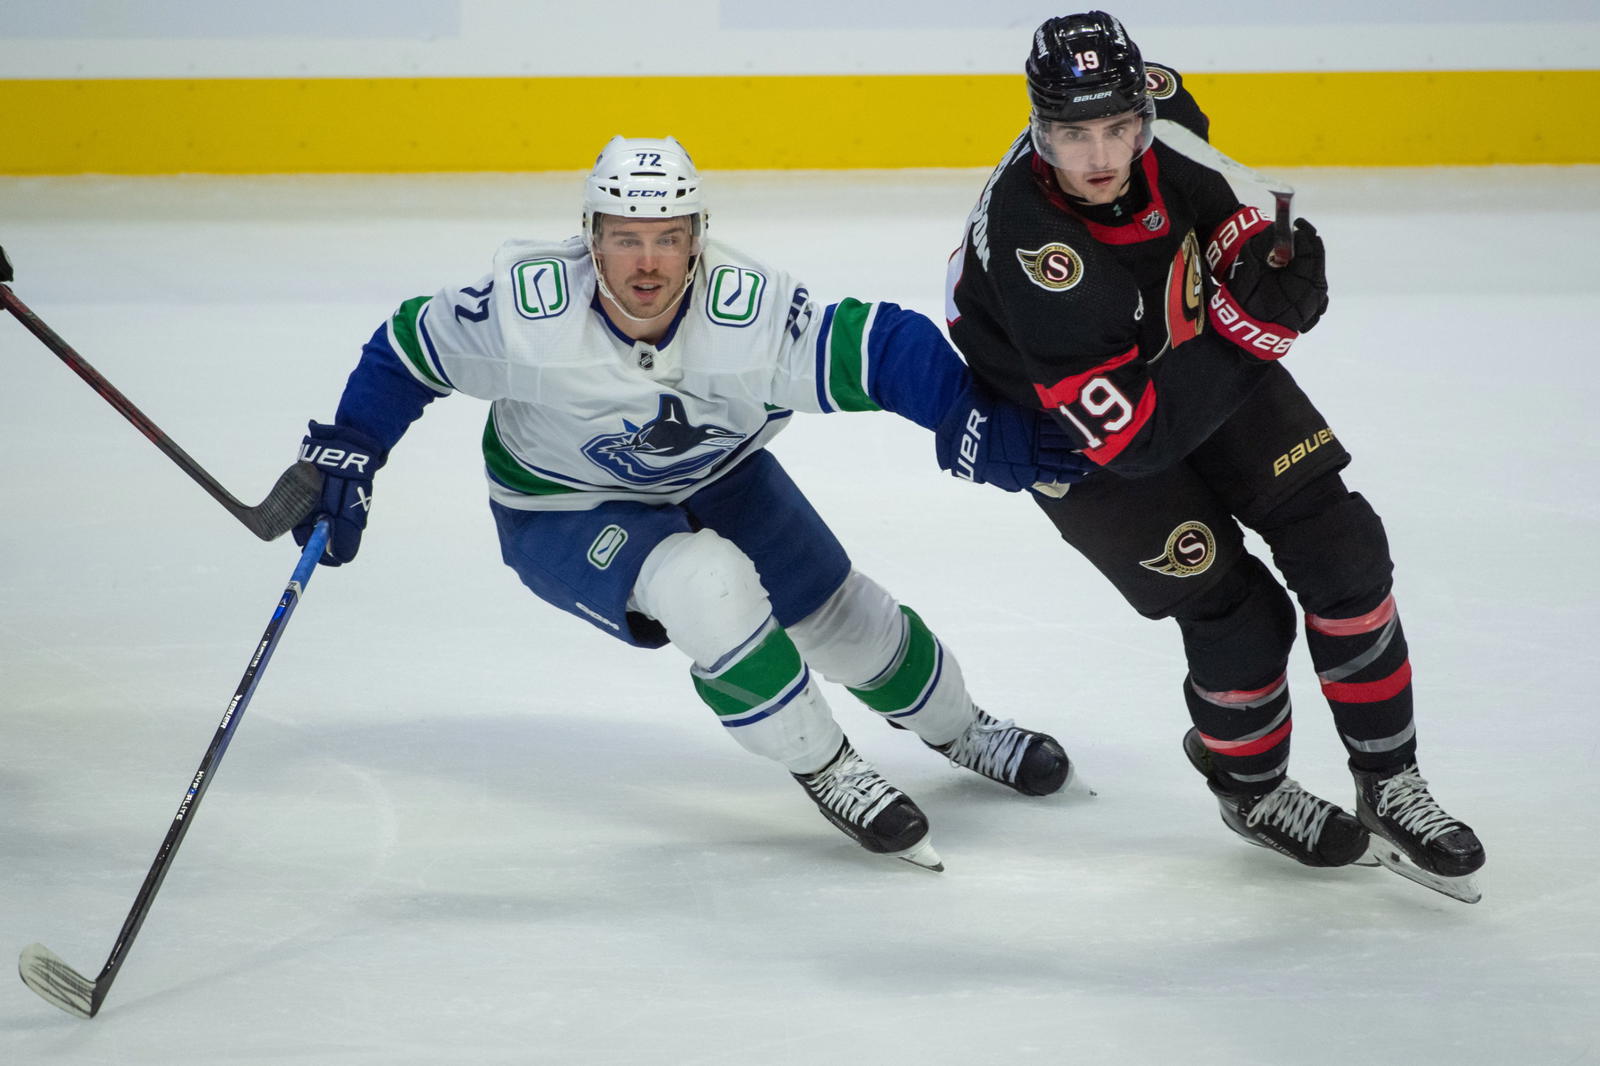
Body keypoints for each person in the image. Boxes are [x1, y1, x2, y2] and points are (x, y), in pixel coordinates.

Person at [291, 135, 1089, 872]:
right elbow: (408, 349)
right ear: (589, 237)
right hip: (561, 504)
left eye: (668, 238)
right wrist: (351, 447)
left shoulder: (751, 319)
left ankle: (964, 729)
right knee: (706, 584)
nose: (647, 263)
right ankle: (828, 766)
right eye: (625, 238)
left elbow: (883, 347)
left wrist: (966, 414)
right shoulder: (527, 313)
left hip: (718, 475)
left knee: (846, 622)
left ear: (698, 239)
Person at [944, 12, 1486, 901]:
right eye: (1073, 135)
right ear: (1039, 128)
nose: (1100, 156)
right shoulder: (1039, 250)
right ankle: (1253, 789)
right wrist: (1251, 325)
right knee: (1238, 617)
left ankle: (1391, 782)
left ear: (1144, 106)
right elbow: (1137, 440)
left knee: (1342, 548)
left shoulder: (1164, 112)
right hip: (1073, 432)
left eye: (1118, 127)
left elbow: (1219, 202)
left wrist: (1265, 260)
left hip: (1175, 345)